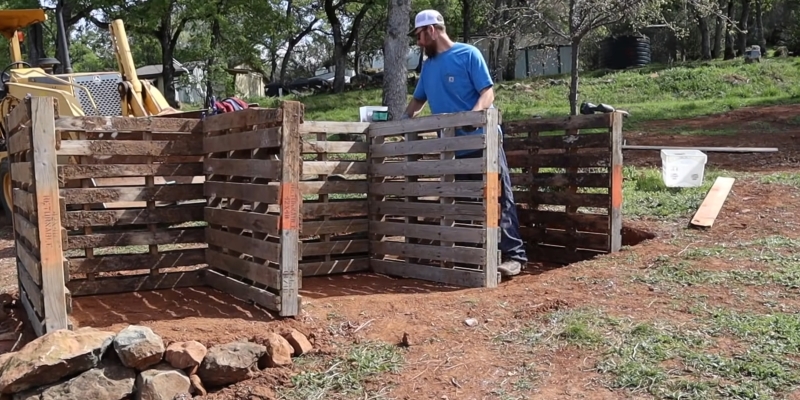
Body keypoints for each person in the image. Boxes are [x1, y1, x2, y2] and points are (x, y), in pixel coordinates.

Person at [401, 9, 528, 277]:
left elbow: (488, 92)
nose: (418, 42)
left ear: (432, 31)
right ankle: (471, 255)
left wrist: (474, 116)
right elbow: (417, 102)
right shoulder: (429, 67)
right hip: (453, 152)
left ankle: (514, 257)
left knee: (499, 200)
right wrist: (401, 122)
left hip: (483, 145)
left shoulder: (468, 54)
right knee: (462, 203)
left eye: (419, 36)